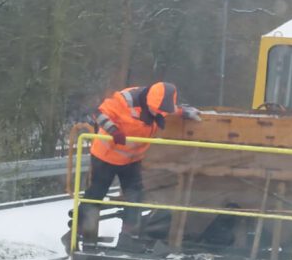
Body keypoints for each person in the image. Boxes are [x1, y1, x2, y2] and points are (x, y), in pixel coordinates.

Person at [66, 82, 201, 247]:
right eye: (157, 111)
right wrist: (113, 130)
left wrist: (184, 112)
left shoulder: (158, 106)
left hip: (131, 161)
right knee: (95, 195)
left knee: (135, 198)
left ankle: (127, 238)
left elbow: (170, 111)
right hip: (105, 157)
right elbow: (99, 113)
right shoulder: (124, 100)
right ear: (149, 103)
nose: (159, 114)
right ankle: (77, 235)